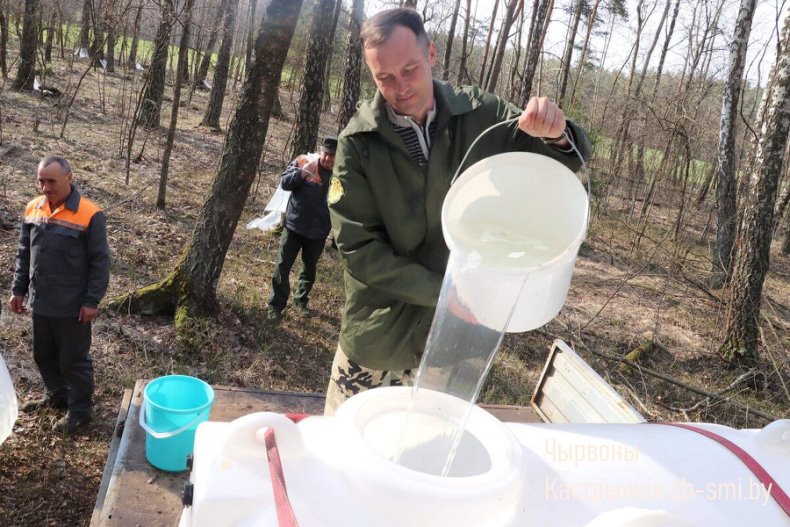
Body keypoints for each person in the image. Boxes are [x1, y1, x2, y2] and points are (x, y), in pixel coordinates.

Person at [324, 8, 593, 415]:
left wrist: (557, 134)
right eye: (385, 77)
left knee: (429, 443)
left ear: (431, 53)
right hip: (379, 332)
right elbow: (359, 249)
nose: (400, 87)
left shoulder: (480, 114)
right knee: (346, 437)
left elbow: (555, 160)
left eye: (410, 69)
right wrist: (444, 293)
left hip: (455, 336)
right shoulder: (358, 142)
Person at [9, 156, 110, 434]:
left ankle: (79, 411)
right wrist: (18, 290)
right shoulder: (33, 208)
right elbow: (24, 253)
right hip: (40, 300)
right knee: (43, 354)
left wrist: (92, 301)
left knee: (73, 360)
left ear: (69, 177)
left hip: (73, 305)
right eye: (41, 180)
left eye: (51, 181)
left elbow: (100, 262)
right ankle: (57, 395)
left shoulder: (90, 214)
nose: (45, 187)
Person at [268, 137, 337, 320]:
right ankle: (276, 306)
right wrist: (303, 173)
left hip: (319, 232)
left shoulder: (342, 175)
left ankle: (301, 300)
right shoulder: (304, 161)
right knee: (283, 266)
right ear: (321, 151)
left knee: (309, 268)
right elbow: (285, 183)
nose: (329, 159)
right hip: (294, 226)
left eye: (333, 156)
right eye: (326, 154)